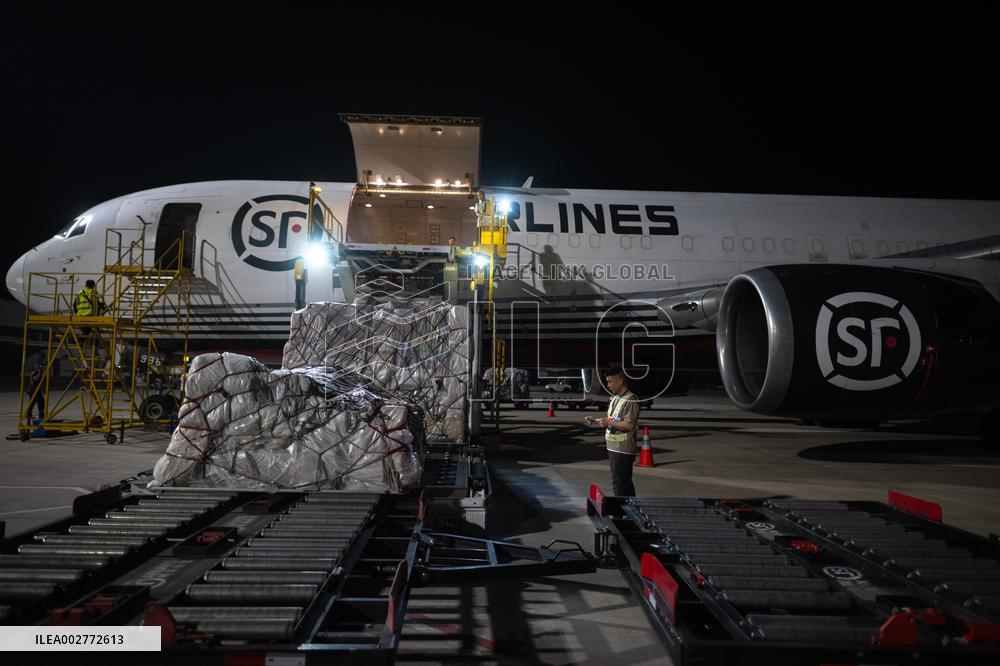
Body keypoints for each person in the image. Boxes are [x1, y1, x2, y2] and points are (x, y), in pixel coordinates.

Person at [585, 367, 641, 496]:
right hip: (613, 447)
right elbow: (613, 420)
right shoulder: (616, 398)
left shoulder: (630, 399)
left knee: (621, 483)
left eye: (610, 382)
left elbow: (629, 425)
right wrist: (596, 420)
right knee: (619, 482)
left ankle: (623, 513)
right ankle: (625, 511)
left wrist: (608, 422)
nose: (608, 385)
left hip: (623, 449)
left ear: (620, 381)